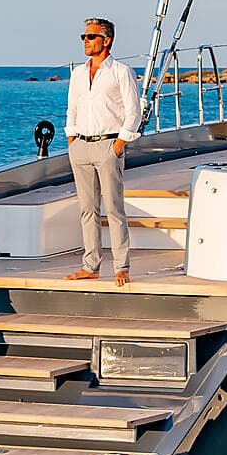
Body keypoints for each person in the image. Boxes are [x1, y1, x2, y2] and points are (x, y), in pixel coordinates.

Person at [64, 16, 140, 287]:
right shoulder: (78, 73)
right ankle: (90, 266)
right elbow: (72, 110)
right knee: (87, 209)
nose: (85, 41)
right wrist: (72, 140)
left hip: (108, 145)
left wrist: (118, 146)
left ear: (106, 40)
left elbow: (134, 112)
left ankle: (122, 266)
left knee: (114, 209)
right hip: (80, 146)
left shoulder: (121, 72)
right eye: (83, 37)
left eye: (90, 37)